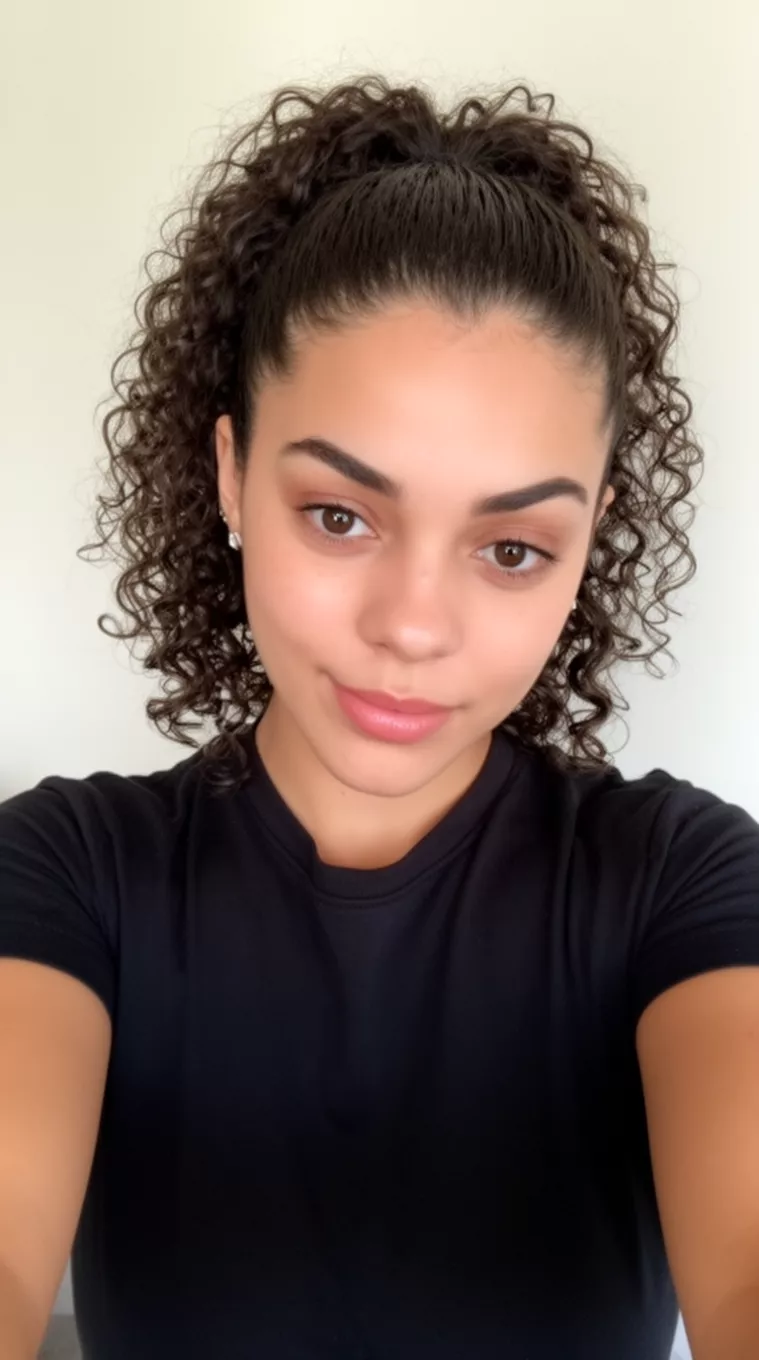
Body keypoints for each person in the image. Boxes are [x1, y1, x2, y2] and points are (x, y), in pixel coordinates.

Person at [1, 72, 758, 1360]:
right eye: (341, 514)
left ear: (588, 548)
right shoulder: (67, 879)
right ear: (233, 474)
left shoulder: (679, 887)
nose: (414, 625)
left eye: (513, 547)